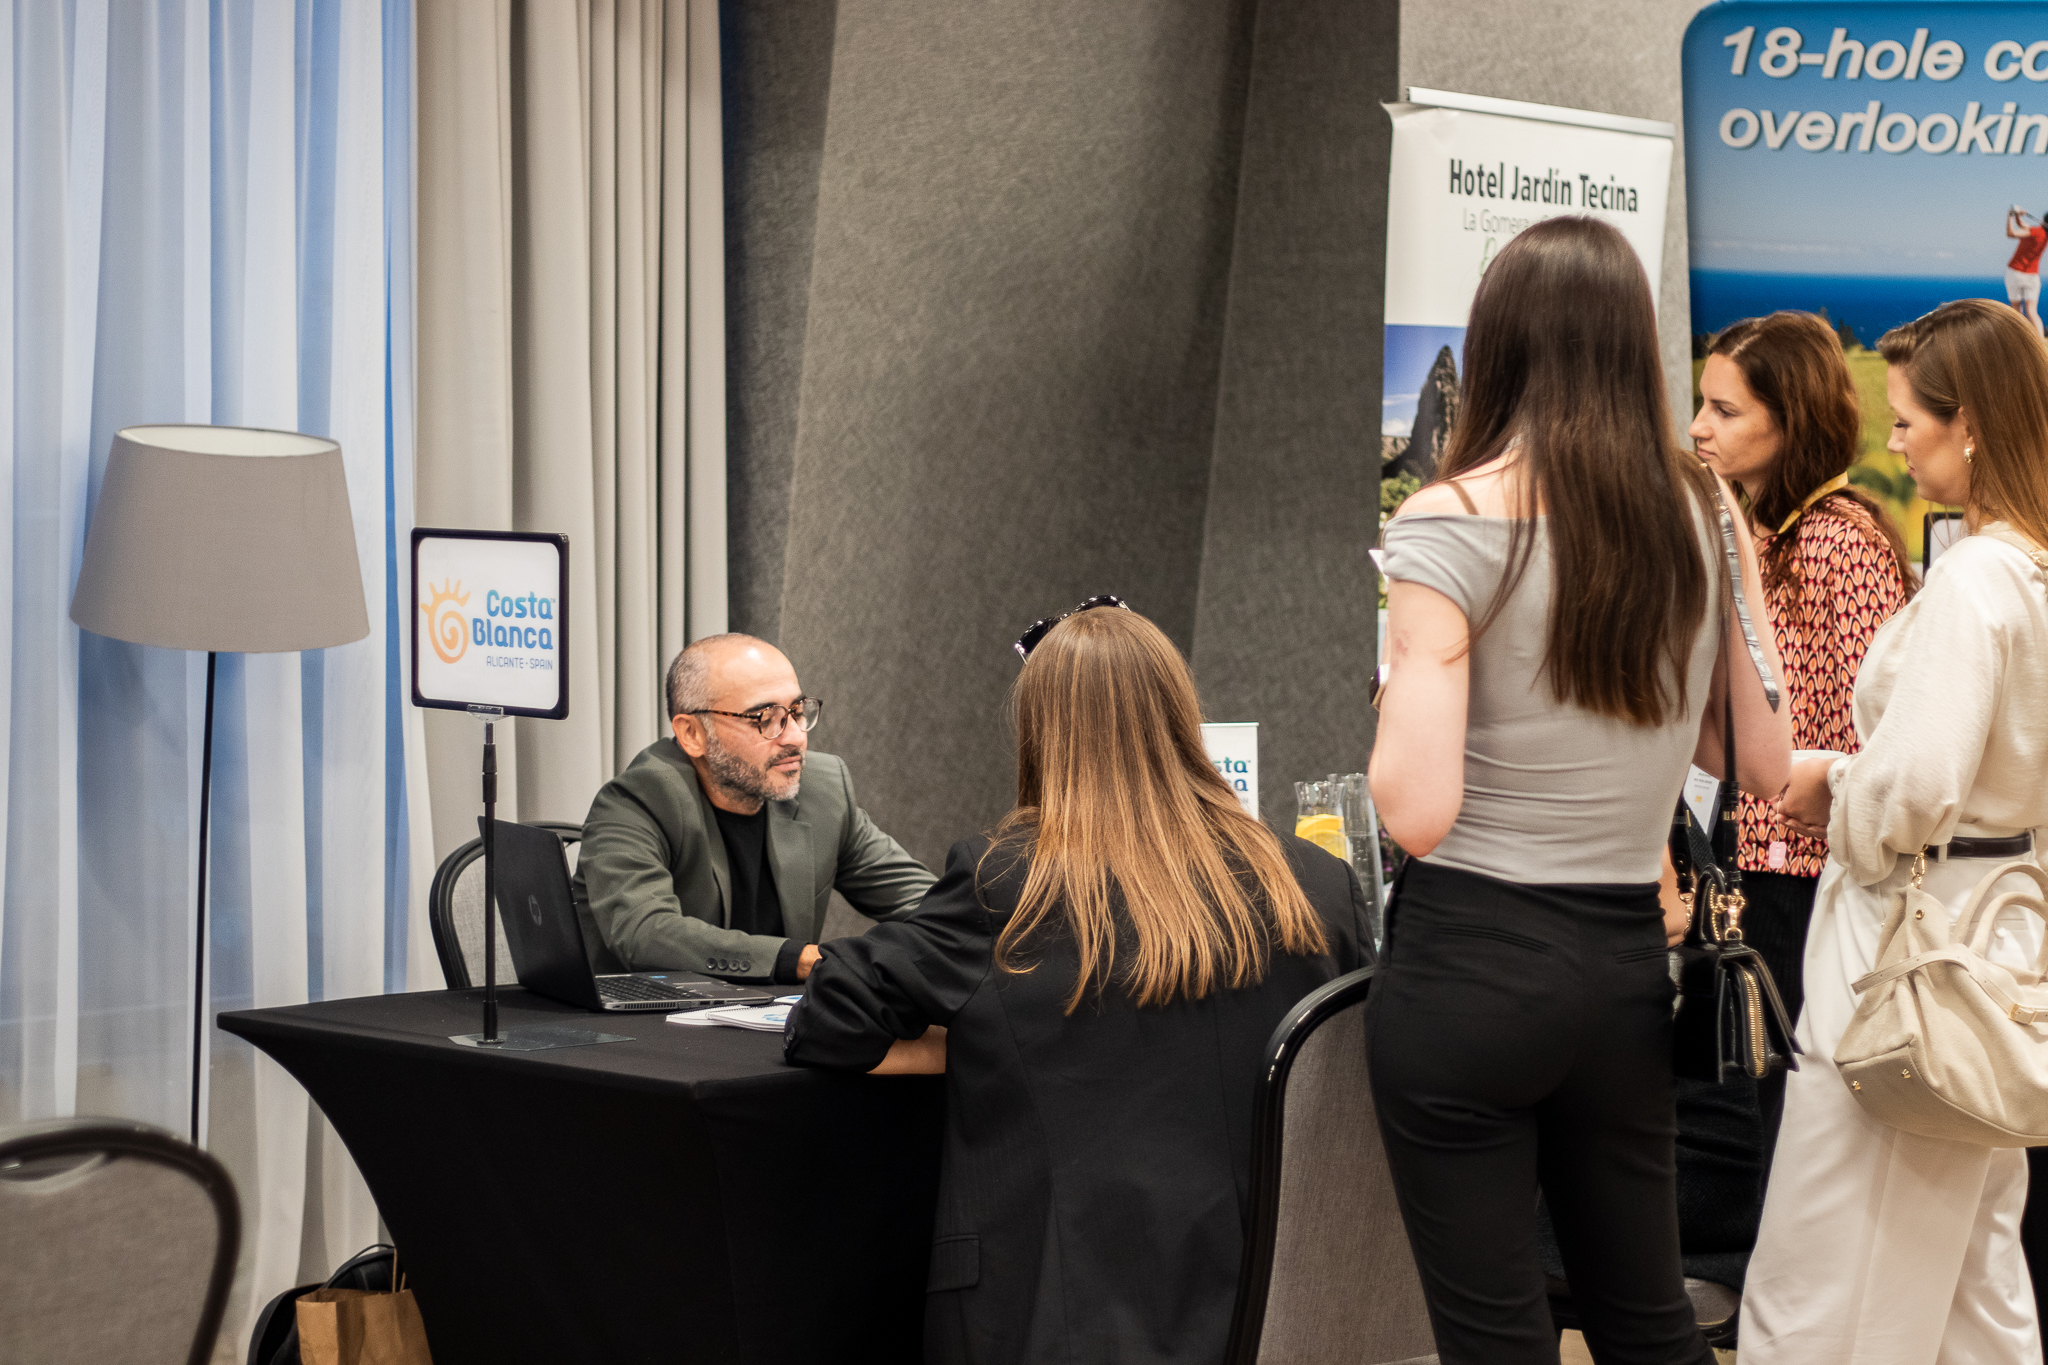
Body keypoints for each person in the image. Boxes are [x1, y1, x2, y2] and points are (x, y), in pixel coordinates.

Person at [1369, 214, 1792, 1365]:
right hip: (1619, 978)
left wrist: (1400, 690)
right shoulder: (1703, 510)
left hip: (1468, 963)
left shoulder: (1448, 518)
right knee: (1648, 1323)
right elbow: (1755, 760)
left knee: (1494, 1337)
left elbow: (1412, 809)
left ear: (1496, 343)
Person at [783, 601, 1370, 1365]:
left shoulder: (1006, 880)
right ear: (1181, 714)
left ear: (1041, 733)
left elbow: (833, 1014)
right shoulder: (1318, 881)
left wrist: (974, 1039)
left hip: (1058, 1317)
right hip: (1281, 1315)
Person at [1742, 297, 2048, 1364]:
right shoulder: (2030, 568)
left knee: (1829, 1258)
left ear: (1972, 425)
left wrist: (1835, 788)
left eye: (1909, 419)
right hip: (1992, 938)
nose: (1894, 440)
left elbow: (1912, 787)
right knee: (1971, 1272)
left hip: (1906, 947)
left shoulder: (1976, 579)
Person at [1689, 310, 1916, 1166]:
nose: (1699, 427)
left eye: (1726, 410)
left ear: (1791, 422)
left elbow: (1880, 731)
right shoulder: (1761, 531)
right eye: (1702, 404)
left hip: (1807, 873)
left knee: (1786, 1120)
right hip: (1753, 863)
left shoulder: (1838, 543)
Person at [571, 633, 936, 984]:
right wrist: (799, 960)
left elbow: (931, 905)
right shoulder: (637, 802)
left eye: (797, 712)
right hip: (647, 1019)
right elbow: (646, 932)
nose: (795, 737)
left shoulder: (823, 791)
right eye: (765, 718)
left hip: (775, 1017)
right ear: (692, 734)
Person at [2007, 206, 2046, 337]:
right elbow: (2022, 226)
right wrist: (2018, 215)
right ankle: (2040, 342)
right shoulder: (2044, 234)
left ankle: (2020, 338)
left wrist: (2010, 215)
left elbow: (2011, 233)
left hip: (2015, 272)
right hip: (2032, 276)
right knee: (2032, 312)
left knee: (2016, 309)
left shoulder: (2035, 231)